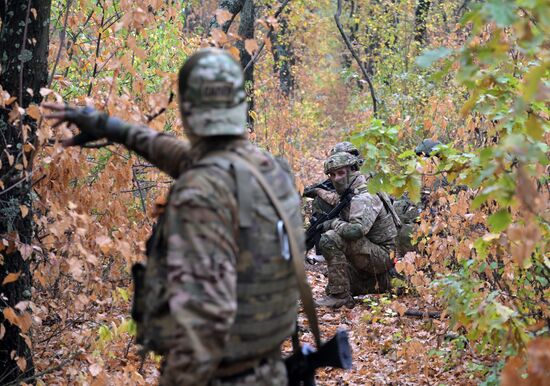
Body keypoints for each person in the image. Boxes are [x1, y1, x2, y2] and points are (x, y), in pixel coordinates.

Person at [44, 48, 305, 385]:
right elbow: (179, 153)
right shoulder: (269, 170)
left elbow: (203, 330)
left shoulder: (201, 195)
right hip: (268, 370)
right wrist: (111, 127)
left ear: (187, 110)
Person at [315, 152, 398, 308]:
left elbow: (355, 231)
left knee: (330, 239)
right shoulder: (351, 190)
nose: (336, 178)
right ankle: (381, 282)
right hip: (374, 253)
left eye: (340, 173)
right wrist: (317, 191)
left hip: (384, 255)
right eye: (332, 175)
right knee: (335, 285)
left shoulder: (364, 195)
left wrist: (333, 223)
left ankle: (340, 297)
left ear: (353, 170)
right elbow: (334, 199)